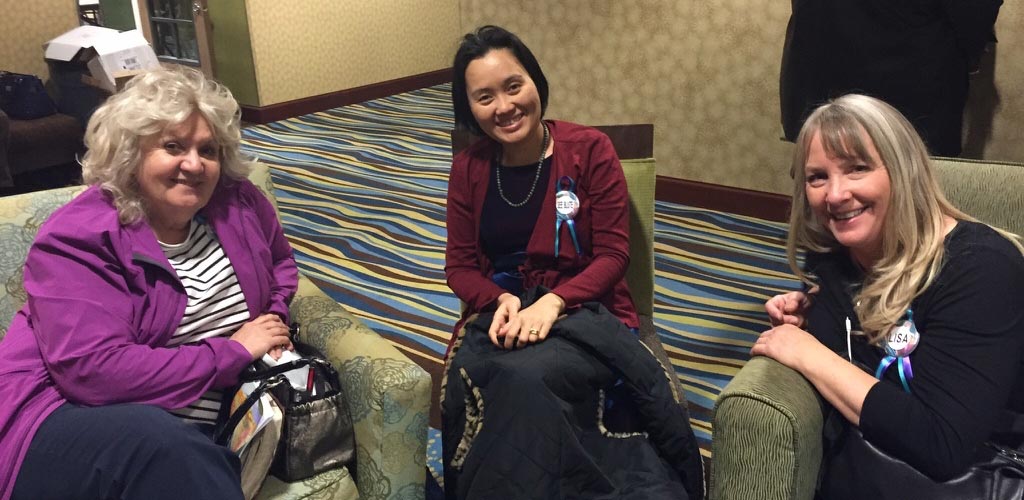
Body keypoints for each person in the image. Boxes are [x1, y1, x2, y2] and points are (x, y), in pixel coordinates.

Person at [0, 67, 298, 500]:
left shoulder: (238, 203)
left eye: (208, 150)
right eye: (173, 146)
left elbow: (281, 263)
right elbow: (95, 371)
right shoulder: (79, 237)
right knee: (163, 446)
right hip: (70, 413)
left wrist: (274, 320)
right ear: (131, 152)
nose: (194, 164)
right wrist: (232, 353)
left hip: (206, 417)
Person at [441, 25, 703, 500]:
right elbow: (459, 267)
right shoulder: (469, 166)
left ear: (535, 81)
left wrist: (554, 302)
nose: (504, 106)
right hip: (503, 314)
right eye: (484, 97)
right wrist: (498, 298)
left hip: (586, 308)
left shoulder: (589, 149)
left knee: (526, 379)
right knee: (496, 378)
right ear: (469, 107)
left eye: (513, 86)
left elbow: (614, 255)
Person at [754, 94, 1024, 495]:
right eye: (817, 177)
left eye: (857, 168)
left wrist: (806, 352)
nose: (835, 194)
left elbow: (941, 443)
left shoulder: (983, 268)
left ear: (903, 170)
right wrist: (811, 320)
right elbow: (866, 347)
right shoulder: (836, 256)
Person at [780, 0, 1003, 157]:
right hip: (908, 94)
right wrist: (971, 57)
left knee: (827, 188)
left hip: (818, 80)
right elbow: (976, 11)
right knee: (912, 197)